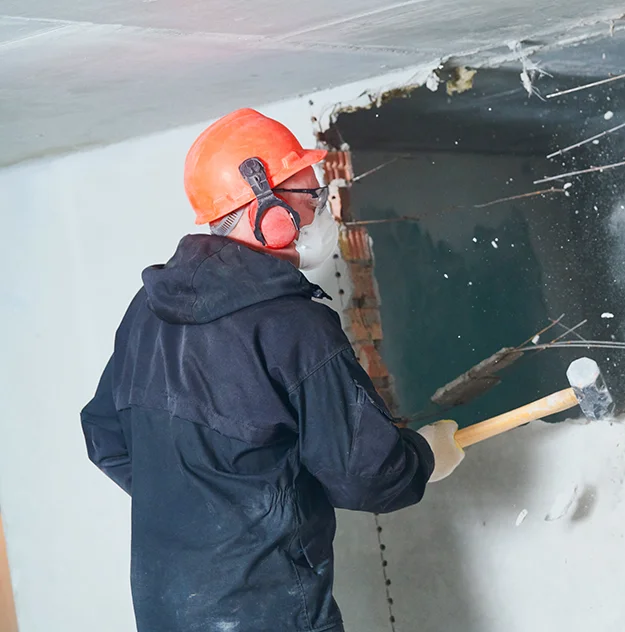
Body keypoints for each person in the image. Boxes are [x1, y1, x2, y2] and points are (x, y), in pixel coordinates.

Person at [80, 108, 464, 632]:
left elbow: (105, 437)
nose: (323, 211)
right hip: (271, 611)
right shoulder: (294, 326)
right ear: (269, 211)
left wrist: (205, 502)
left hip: (165, 611)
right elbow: (368, 477)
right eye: (311, 198)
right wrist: (425, 458)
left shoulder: (146, 312)